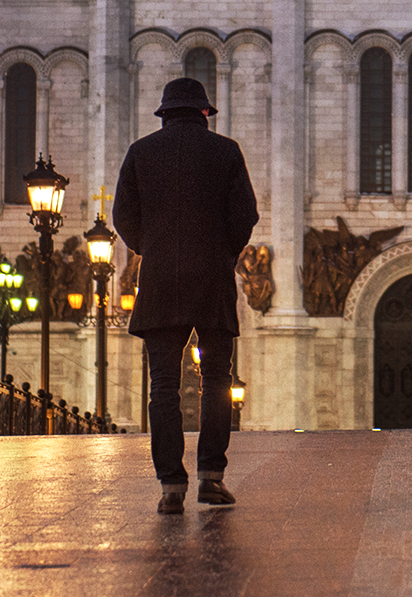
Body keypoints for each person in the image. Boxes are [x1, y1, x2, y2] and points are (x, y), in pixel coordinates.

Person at [113, 77, 259, 513]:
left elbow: (123, 215)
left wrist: (152, 247)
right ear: (204, 113)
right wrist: (221, 251)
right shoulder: (226, 152)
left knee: (163, 385)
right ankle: (211, 478)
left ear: (164, 114)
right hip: (212, 278)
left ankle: (170, 486)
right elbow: (245, 215)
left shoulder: (141, 153)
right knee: (216, 379)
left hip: (159, 280)